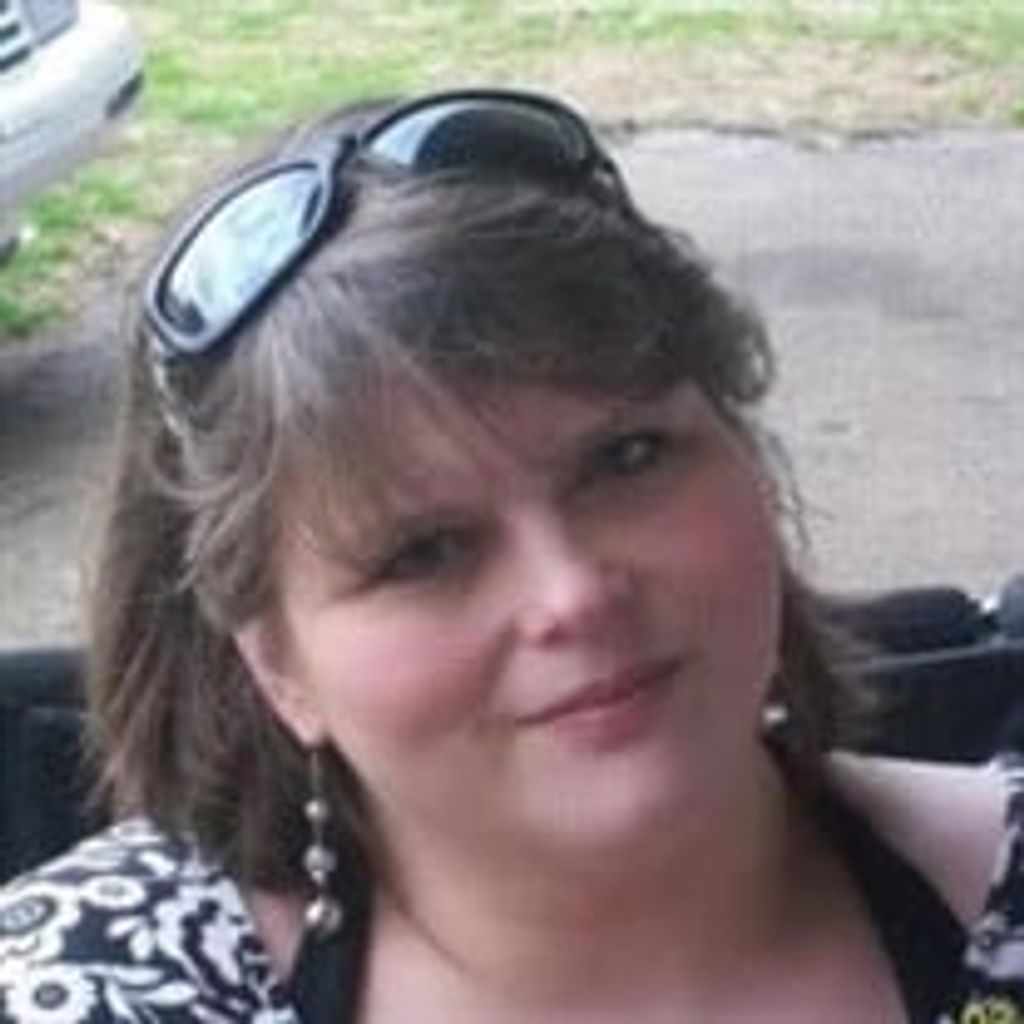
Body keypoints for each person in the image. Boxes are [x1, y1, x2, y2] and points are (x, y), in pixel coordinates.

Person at [0, 87, 1019, 1024]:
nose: (573, 594)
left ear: (746, 451)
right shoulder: (94, 988)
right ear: (277, 665)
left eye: (626, 458)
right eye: (423, 552)